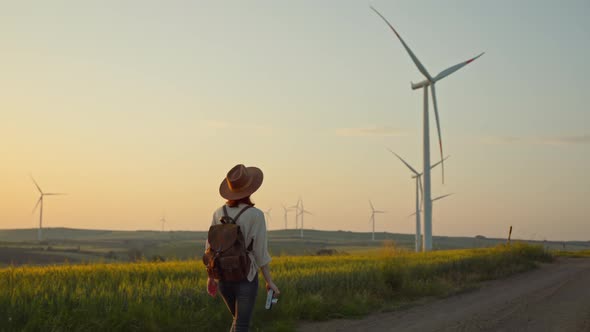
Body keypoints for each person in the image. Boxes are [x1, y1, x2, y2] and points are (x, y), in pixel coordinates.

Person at [206, 164, 280, 332]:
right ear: (250, 189)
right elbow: (260, 252)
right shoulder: (256, 215)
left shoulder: (218, 213)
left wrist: (210, 277)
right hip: (246, 276)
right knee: (241, 324)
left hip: (223, 276)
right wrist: (270, 282)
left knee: (237, 320)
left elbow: (210, 248)